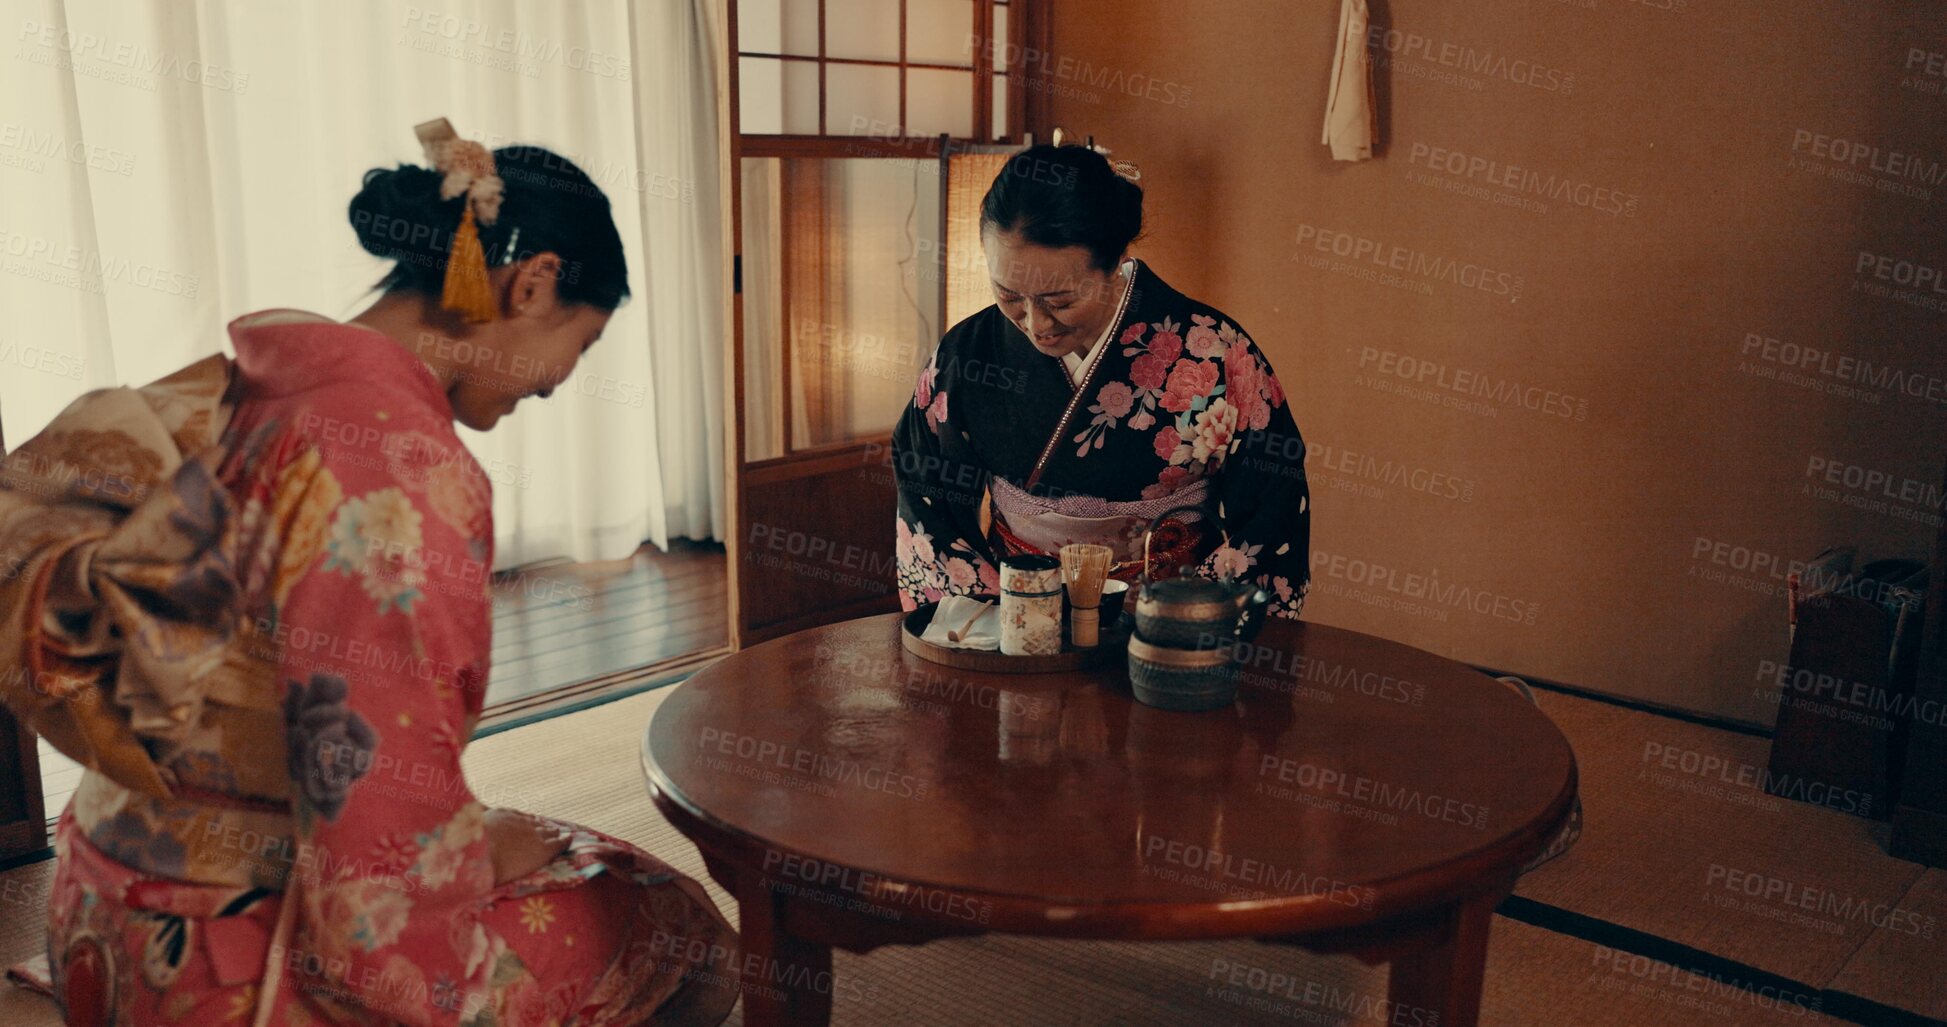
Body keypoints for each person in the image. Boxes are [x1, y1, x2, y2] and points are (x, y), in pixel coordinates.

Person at [0, 125, 738, 1026]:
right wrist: (482, 853)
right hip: (233, 967)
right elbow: (371, 906)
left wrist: (472, 837)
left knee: (530, 838)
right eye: (575, 349)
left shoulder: (241, 391)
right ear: (533, 282)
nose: (551, 386)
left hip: (99, 905)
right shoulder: (399, 478)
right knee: (667, 918)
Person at [893, 141, 1311, 616]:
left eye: (1061, 301)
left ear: (1112, 263)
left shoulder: (1214, 353)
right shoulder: (965, 355)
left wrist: (1192, 618)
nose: (1036, 324)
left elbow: (1273, 507)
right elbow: (926, 492)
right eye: (1009, 296)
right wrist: (990, 614)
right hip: (1020, 618)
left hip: (1170, 621)